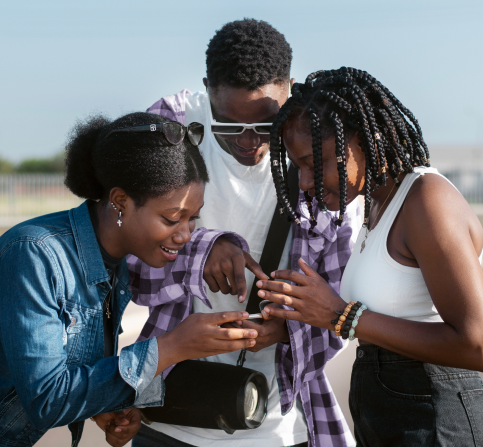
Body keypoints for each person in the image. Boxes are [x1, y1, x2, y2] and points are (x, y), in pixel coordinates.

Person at [129, 19, 359, 447]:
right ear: (207, 90)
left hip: (279, 424)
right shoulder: (171, 128)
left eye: (267, 125)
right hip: (171, 415)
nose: (250, 141)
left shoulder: (320, 149)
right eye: (229, 125)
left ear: (289, 89)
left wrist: (287, 332)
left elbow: (343, 294)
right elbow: (127, 261)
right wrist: (202, 247)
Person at [0, 112, 259, 447]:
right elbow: (47, 400)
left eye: (193, 218)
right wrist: (172, 347)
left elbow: (69, 369)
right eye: (171, 218)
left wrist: (108, 404)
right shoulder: (35, 254)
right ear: (120, 201)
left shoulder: (115, 260)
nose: (185, 235)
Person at [258, 67, 483, 446]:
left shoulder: (426, 200)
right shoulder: (374, 206)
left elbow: (477, 343)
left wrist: (339, 316)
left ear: (361, 140)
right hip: (391, 417)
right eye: (299, 168)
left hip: (436, 419)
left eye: (316, 163)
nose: (307, 182)